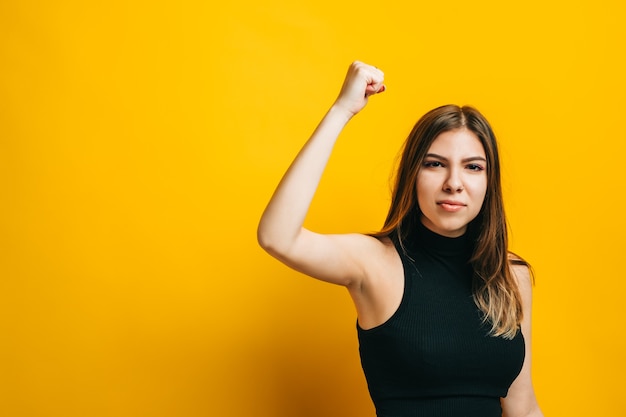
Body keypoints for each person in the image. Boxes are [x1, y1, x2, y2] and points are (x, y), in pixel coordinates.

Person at [257, 61, 543, 417]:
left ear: (488, 182)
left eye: (473, 167)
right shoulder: (374, 262)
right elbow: (276, 237)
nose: (454, 182)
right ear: (412, 175)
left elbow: (523, 407)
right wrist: (342, 110)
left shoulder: (511, 275)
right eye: (435, 164)